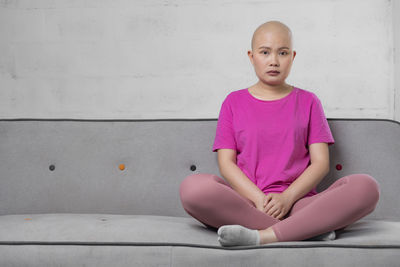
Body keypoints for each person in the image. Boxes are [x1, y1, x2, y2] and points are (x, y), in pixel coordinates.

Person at [179, 20, 380, 247]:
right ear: (251, 56)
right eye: (265, 52)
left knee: (367, 187)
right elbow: (226, 163)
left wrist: (287, 198)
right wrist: (258, 199)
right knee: (192, 189)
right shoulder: (233, 102)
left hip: (300, 204)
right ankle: (306, 229)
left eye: (282, 53)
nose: (273, 61)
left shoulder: (309, 101)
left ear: (292, 57)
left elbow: (321, 163)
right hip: (247, 205)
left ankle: (263, 236)